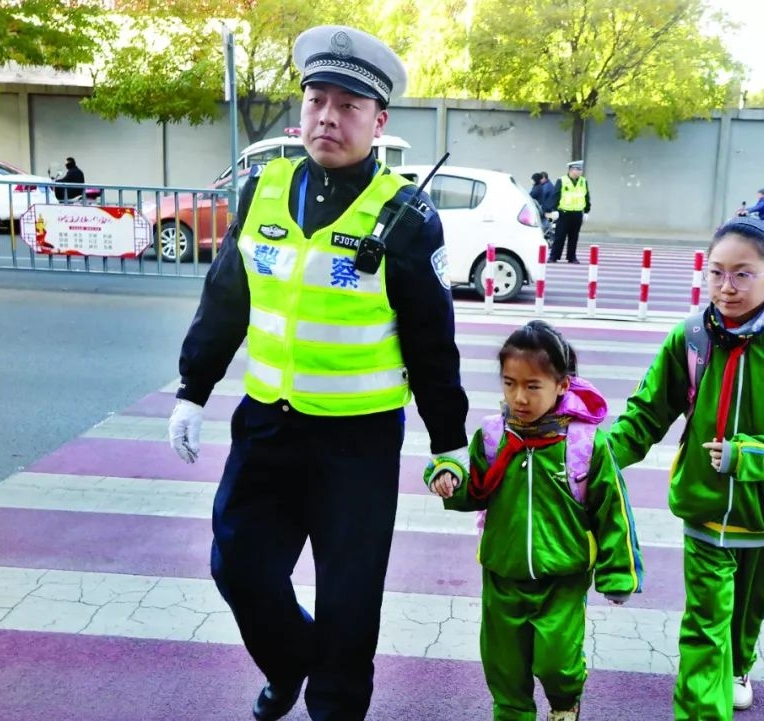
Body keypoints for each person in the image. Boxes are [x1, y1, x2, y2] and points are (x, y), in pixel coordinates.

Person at [166, 24, 470, 721]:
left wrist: (447, 440)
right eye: (316, 100)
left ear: (378, 119)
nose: (327, 117)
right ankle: (289, 658)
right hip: (268, 425)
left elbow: (433, 342)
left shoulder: (407, 216)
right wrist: (193, 389)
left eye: (347, 105)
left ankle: (333, 706)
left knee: (349, 598)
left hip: (357, 444)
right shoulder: (265, 189)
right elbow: (226, 298)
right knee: (237, 566)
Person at [608, 216, 764, 720]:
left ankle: (740, 665)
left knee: (746, 616)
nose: (726, 287)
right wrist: (593, 457)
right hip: (705, 509)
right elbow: (645, 414)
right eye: (716, 273)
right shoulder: (690, 338)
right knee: (705, 625)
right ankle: (702, 708)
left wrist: (750, 456)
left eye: (742, 275)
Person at [427, 320, 643, 721]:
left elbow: (612, 510)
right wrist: (447, 478)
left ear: (562, 385)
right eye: (509, 384)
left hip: (561, 579)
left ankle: (565, 703)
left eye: (532, 386)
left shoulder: (584, 443)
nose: (518, 397)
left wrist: (618, 574)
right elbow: (473, 488)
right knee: (504, 672)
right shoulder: (493, 438)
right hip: (502, 575)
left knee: (556, 666)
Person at [549, 160, 590, 263]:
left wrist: (586, 211)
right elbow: (555, 195)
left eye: (580, 169)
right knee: (559, 236)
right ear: (571, 170)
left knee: (574, 237)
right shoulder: (562, 180)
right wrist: (554, 209)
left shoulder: (583, 181)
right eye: (577, 169)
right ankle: (554, 256)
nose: (580, 172)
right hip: (564, 213)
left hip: (577, 213)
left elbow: (586, 197)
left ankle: (571, 257)